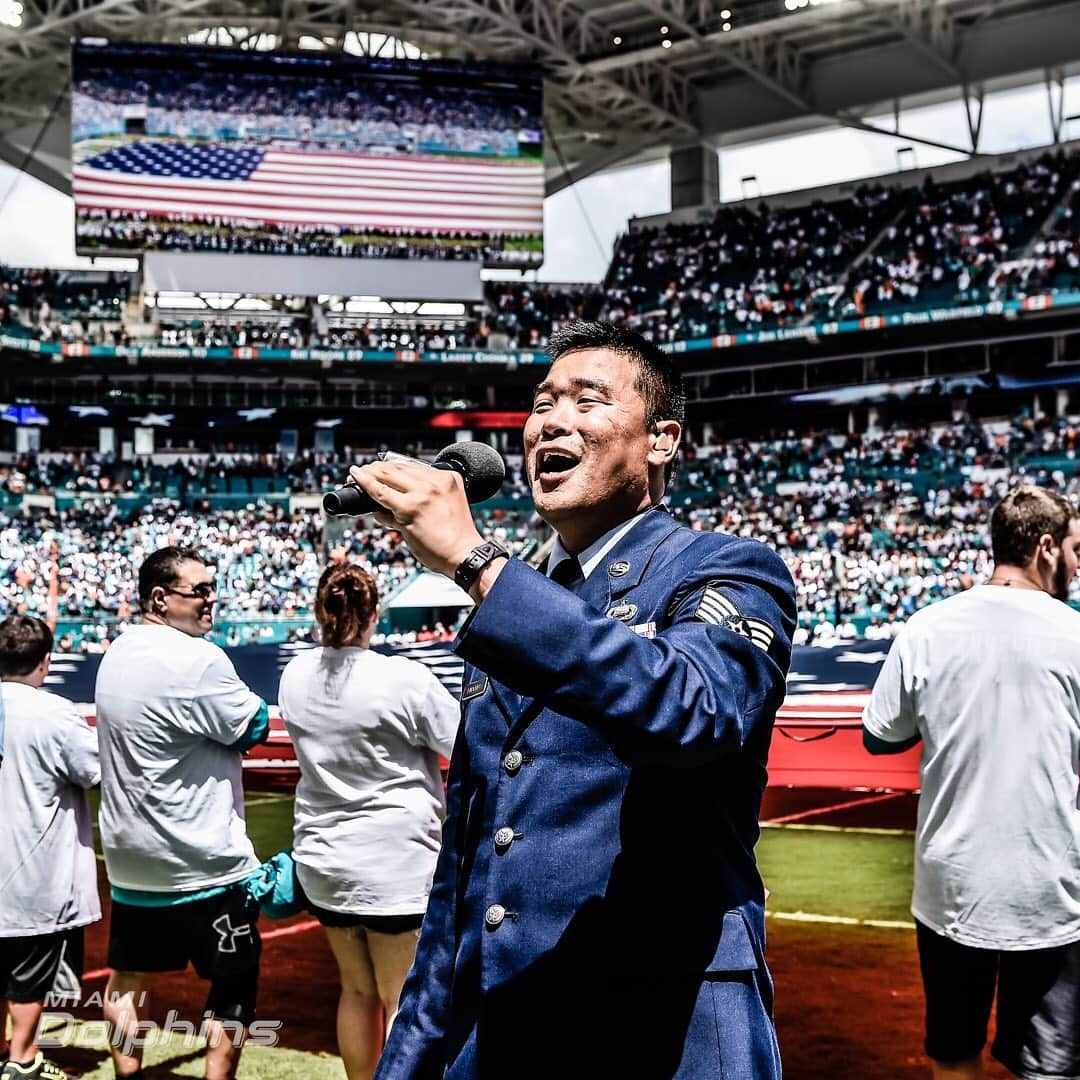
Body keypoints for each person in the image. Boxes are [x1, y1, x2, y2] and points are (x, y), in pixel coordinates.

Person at [348, 321, 797, 1079]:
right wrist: (410, 1059)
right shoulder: (515, 598)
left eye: (588, 401)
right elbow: (465, 875)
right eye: (542, 403)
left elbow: (694, 710)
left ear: (661, 442)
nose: (551, 420)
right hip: (510, 1028)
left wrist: (477, 563)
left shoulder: (728, 568)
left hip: (668, 1030)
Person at [863, 485, 1080, 1080]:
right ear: (1044, 548)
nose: (1077, 563)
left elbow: (880, 735)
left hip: (951, 889)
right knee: (1052, 1070)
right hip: (1051, 892)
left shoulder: (928, 627)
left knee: (954, 1056)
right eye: (1074, 549)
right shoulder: (1075, 634)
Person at [94, 547, 271, 1080]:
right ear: (159, 598)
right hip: (204, 861)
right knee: (233, 986)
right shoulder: (200, 659)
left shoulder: (116, 653)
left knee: (124, 982)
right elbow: (253, 726)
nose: (212, 600)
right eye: (200, 591)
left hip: (131, 864)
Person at [278, 563, 459, 1080]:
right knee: (403, 996)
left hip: (324, 860)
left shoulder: (295, 674)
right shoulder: (402, 678)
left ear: (320, 611)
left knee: (355, 991)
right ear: (375, 611)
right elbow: (462, 743)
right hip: (394, 863)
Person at [0, 615, 100, 1080]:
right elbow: (94, 770)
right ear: (44, 662)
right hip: (32, 871)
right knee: (29, 974)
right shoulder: (54, 713)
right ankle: (22, 1059)